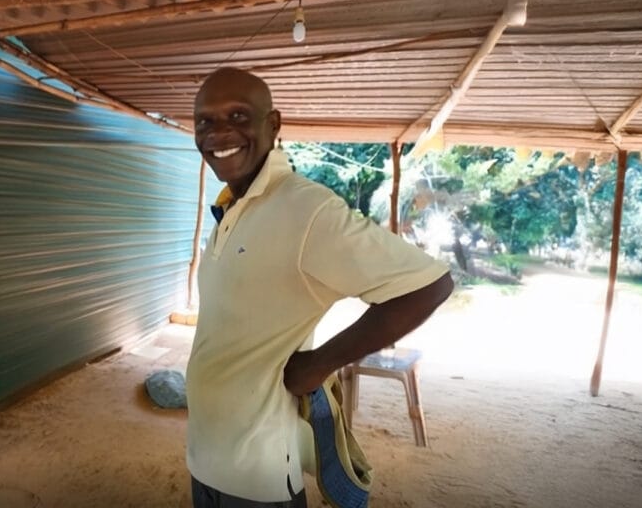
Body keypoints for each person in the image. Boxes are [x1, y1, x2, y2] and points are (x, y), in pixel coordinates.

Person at [185, 67, 454, 508]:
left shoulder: (306, 210)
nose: (218, 132)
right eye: (205, 121)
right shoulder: (231, 206)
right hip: (207, 457)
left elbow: (428, 286)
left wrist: (320, 362)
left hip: (258, 475)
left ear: (273, 124)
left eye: (237, 116)